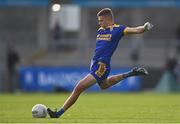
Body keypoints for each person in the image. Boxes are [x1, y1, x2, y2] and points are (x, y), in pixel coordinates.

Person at [47, 8, 153, 118]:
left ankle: (58, 113)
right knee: (104, 85)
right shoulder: (100, 30)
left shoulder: (118, 29)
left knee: (79, 87)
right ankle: (131, 73)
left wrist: (144, 27)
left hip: (102, 66)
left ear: (108, 19)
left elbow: (135, 30)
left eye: (101, 20)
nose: (99, 23)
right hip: (94, 64)